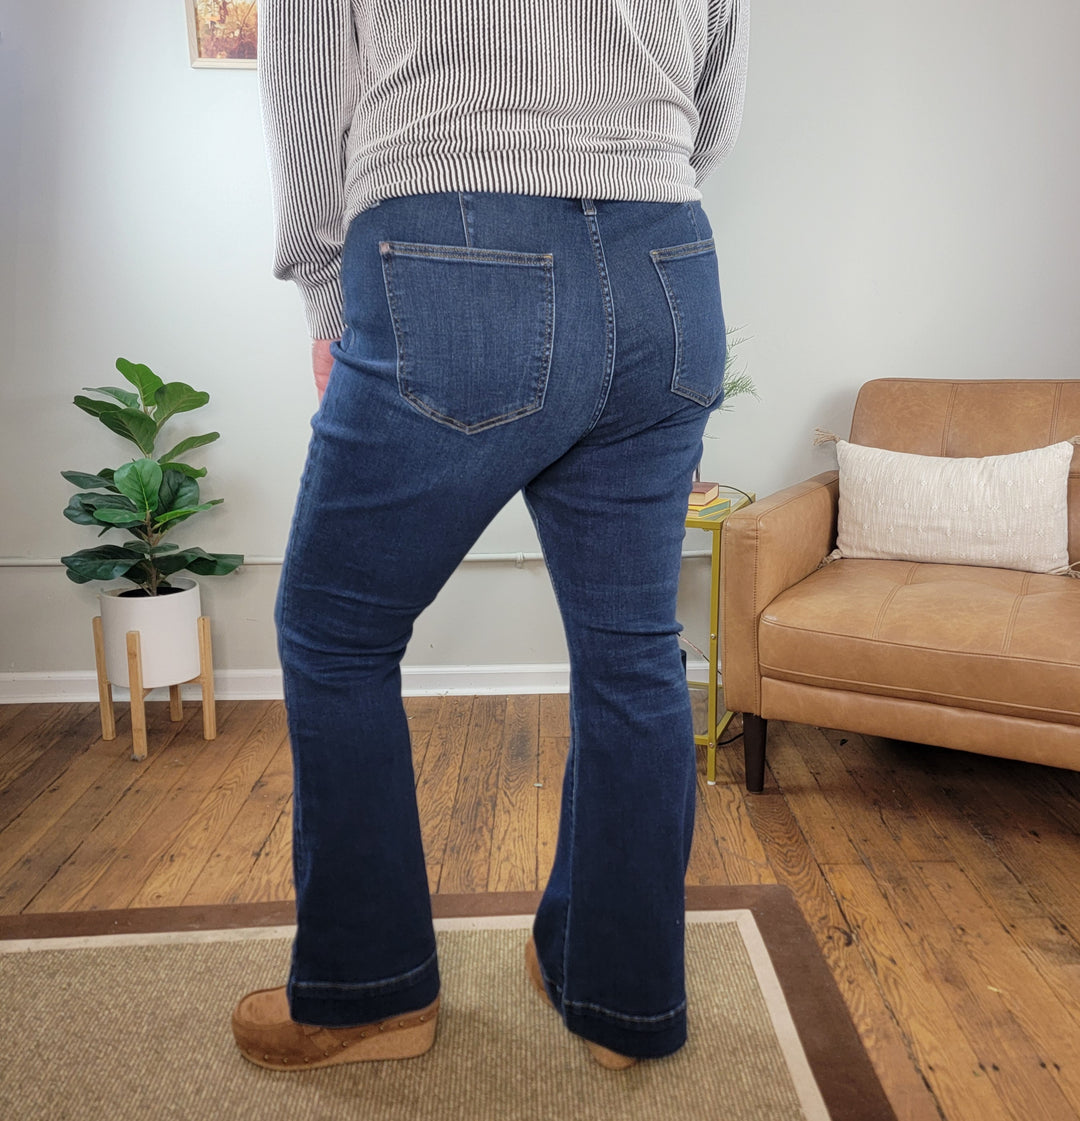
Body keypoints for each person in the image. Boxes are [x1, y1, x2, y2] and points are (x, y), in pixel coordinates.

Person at [232, 0, 749, 1072]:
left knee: (333, 631)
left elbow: (308, 89)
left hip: (449, 248)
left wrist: (331, 295)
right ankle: (619, 998)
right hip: (668, 264)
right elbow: (713, 103)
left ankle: (367, 997)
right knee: (633, 648)